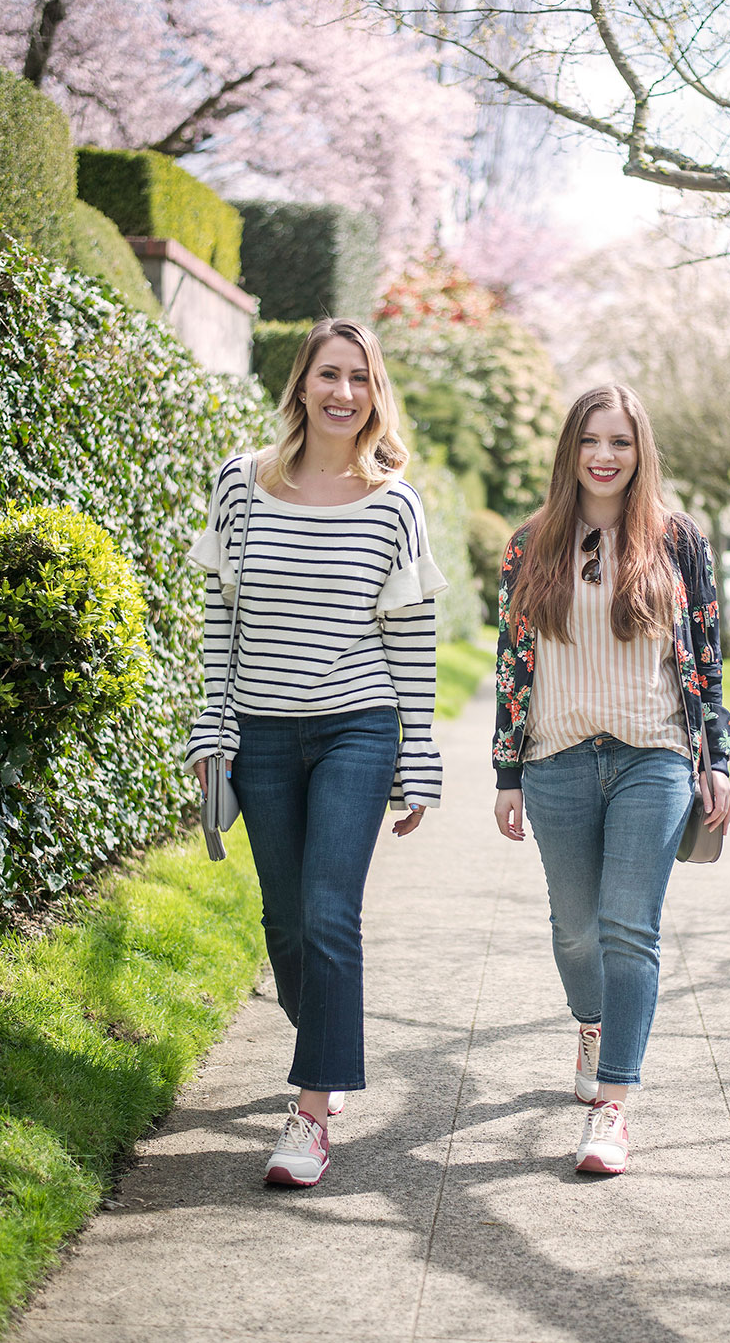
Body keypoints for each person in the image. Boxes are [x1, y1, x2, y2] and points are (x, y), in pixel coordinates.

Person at [186, 318, 446, 1188]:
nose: (343, 394)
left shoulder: (394, 502)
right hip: (260, 730)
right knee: (286, 920)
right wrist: (209, 731)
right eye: (329, 375)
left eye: (360, 379)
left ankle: (308, 1114)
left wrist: (421, 759)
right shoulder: (240, 487)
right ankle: (324, 1044)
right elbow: (220, 619)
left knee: (331, 912)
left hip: (356, 726)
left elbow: (412, 638)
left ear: (376, 394)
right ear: (300, 383)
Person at [492, 384, 730, 1175]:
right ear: (571, 448)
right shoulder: (529, 544)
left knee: (630, 926)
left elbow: (706, 658)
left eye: (621, 442)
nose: (605, 455)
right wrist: (507, 770)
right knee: (577, 929)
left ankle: (613, 1108)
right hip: (556, 756)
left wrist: (716, 759)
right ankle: (592, 1026)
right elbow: (511, 664)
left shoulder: (677, 540)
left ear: (640, 452)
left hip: (653, 755)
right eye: (592, 440)